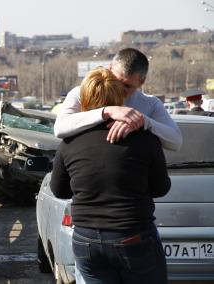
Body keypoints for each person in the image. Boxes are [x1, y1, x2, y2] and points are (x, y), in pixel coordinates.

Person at [51, 67, 171, 284]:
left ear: (85, 100)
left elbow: (59, 189)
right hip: (133, 235)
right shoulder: (145, 139)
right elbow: (161, 188)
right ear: (121, 99)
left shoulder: (69, 143)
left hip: (85, 239)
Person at [54, 48, 182, 151]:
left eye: (127, 86)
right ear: (110, 69)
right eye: (116, 81)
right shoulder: (82, 93)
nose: (120, 89)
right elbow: (60, 128)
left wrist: (142, 121)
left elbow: (176, 142)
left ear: (141, 81)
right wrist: (106, 112)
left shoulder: (151, 104)